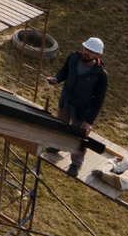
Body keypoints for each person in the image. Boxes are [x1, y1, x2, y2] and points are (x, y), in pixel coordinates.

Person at [46, 37, 109, 177]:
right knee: (60, 127)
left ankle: (75, 164)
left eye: (90, 51)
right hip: (66, 102)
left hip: (82, 110)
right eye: (85, 48)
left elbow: (98, 100)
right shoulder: (73, 58)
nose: (86, 52)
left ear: (97, 55)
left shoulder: (100, 75)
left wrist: (89, 122)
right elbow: (64, 71)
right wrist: (57, 79)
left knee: (79, 138)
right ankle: (57, 146)